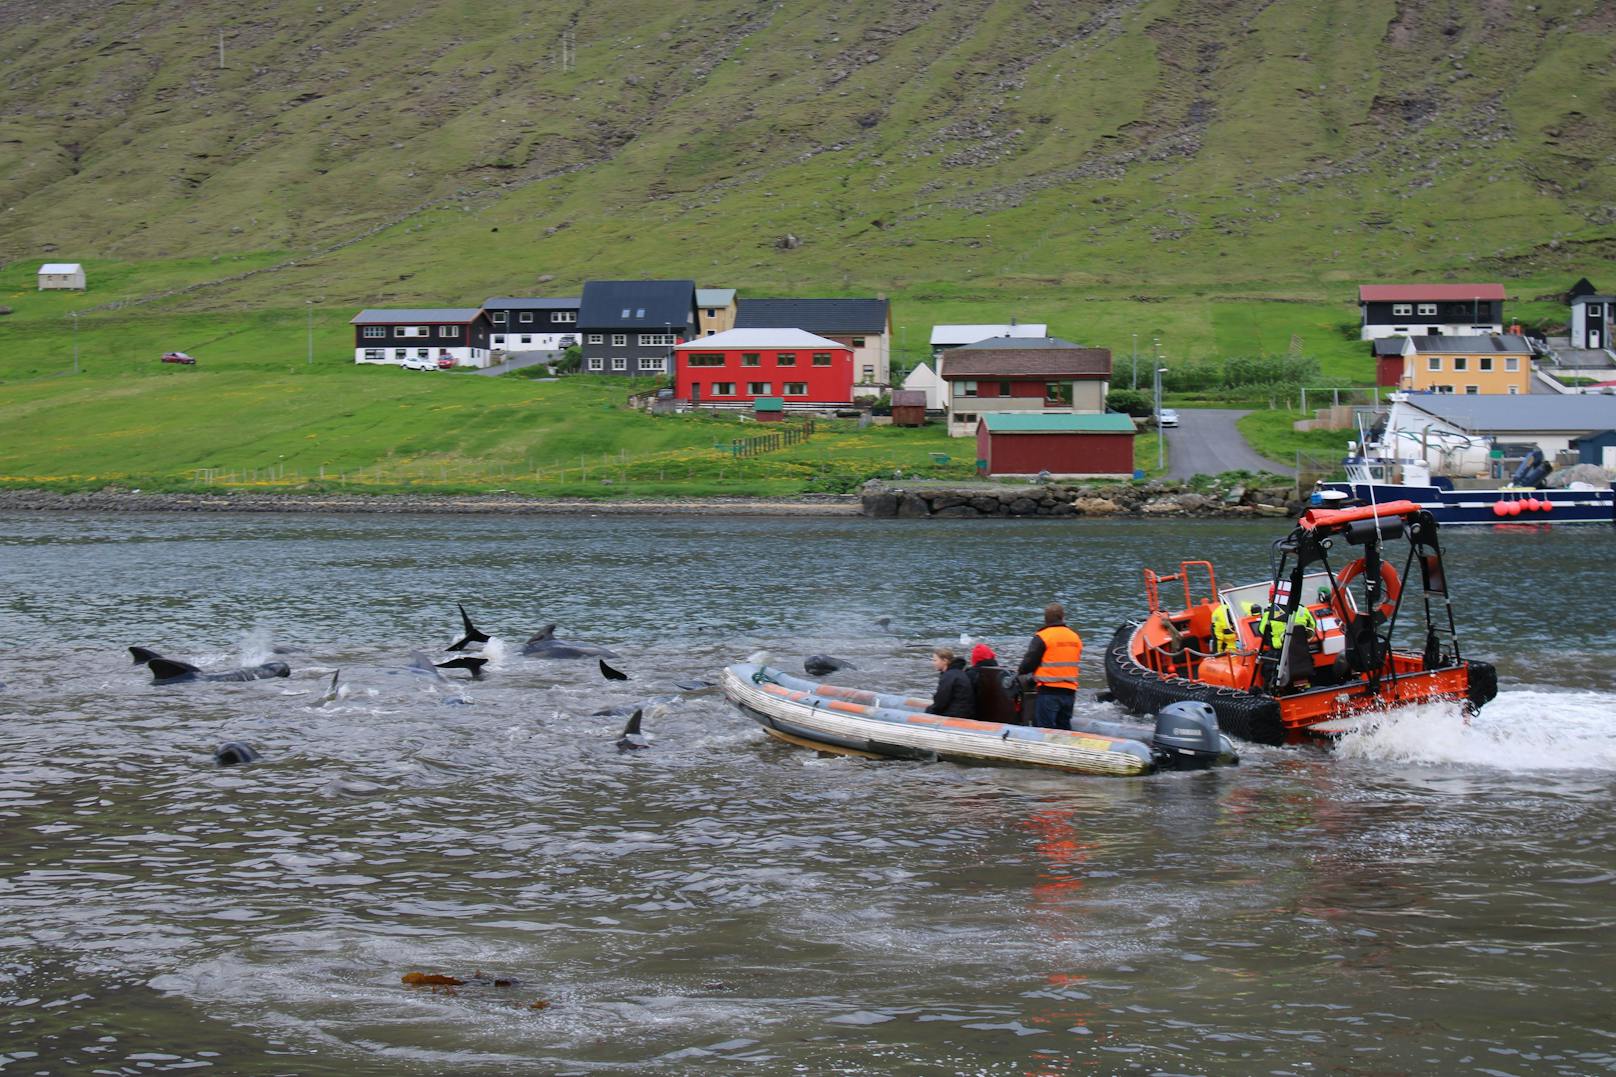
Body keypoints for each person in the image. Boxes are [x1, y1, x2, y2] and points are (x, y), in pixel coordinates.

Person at [1017, 603, 1082, 731]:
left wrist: (1020, 672)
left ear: (1045, 619)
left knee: (1044, 730)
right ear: (1062, 617)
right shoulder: (1075, 637)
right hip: (1070, 691)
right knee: (1064, 728)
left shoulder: (1043, 636)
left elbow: (1029, 662)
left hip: (1049, 691)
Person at [966, 643, 1019, 725]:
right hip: (1002, 717)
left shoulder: (970, 674)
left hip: (978, 716)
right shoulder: (1003, 674)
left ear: (974, 659)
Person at [925, 647, 976, 719]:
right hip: (964, 712)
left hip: (955, 714)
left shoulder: (949, 676)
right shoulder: (958, 672)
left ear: (945, 661)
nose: (933, 663)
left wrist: (929, 711)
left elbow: (941, 700)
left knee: (928, 711)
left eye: (935, 660)